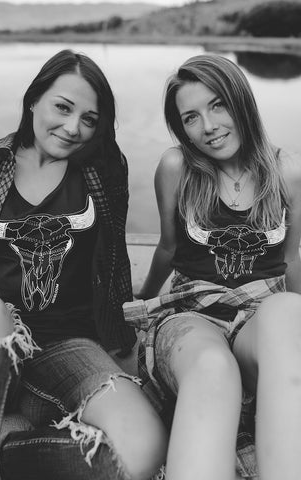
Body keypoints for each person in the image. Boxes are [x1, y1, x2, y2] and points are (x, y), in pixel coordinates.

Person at [0, 49, 167, 480]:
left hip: (66, 342)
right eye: (62, 107)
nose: (72, 127)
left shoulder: (102, 171)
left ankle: (2, 458)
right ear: (34, 99)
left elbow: (116, 258)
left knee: (144, 447)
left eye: (89, 118)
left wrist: (122, 336)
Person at [129, 54, 301, 480]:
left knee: (287, 312)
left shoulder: (288, 172)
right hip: (192, 312)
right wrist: (144, 298)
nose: (207, 126)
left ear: (241, 99)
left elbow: (293, 258)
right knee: (212, 367)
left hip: (261, 314)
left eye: (218, 104)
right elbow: (169, 248)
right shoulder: (177, 168)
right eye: (191, 117)